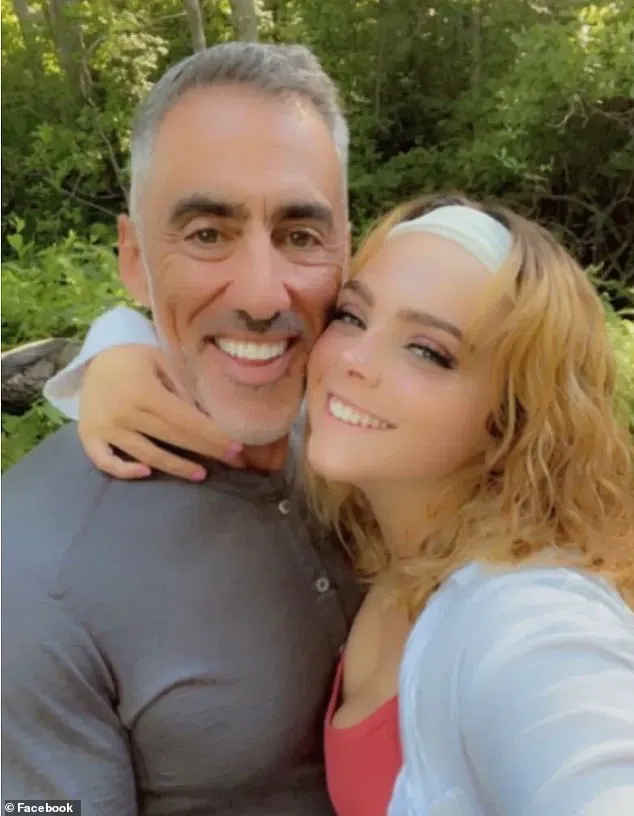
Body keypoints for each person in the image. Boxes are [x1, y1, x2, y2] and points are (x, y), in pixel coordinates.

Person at [44, 196, 634, 815]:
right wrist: (117, 347)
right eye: (352, 316)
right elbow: (232, 355)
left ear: (513, 419)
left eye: (428, 351)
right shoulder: (378, 510)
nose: (352, 360)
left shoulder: (530, 619)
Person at [1, 42, 363, 815]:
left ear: (347, 249)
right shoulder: (28, 577)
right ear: (135, 259)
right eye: (206, 233)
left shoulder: (380, 434)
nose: (263, 295)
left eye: (301, 235)